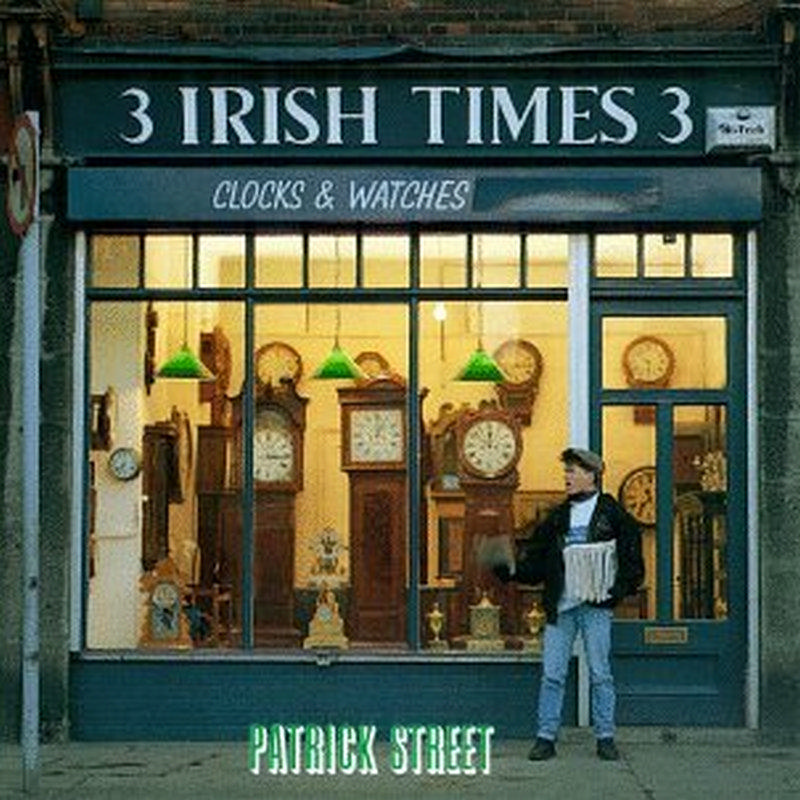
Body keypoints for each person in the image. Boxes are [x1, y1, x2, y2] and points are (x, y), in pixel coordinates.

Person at [484, 447, 644, 761]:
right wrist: (508, 569)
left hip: (596, 607)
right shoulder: (557, 517)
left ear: (591, 475)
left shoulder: (615, 516)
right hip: (562, 607)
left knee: (601, 673)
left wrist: (617, 591)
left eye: (572, 471)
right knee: (553, 673)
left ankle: (605, 737)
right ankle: (545, 738)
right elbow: (537, 564)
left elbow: (632, 564)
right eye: (566, 470)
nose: (566, 476)